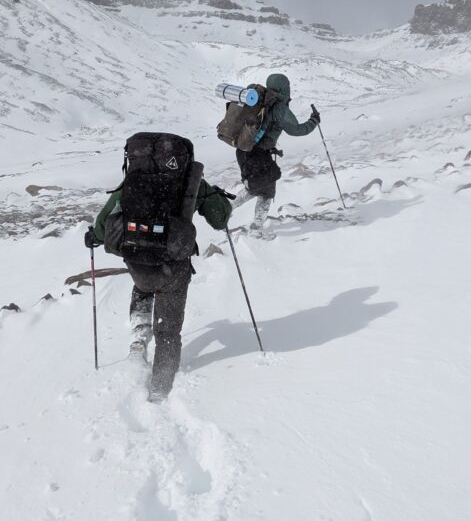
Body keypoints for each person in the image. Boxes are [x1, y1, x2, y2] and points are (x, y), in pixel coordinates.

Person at [85, 133, 232, 403]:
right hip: (173, 269)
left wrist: (93, 237)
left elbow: (103, 224)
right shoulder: (190, 181)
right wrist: (218, 200)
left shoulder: (132, 181)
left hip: (137, 262)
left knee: (143, 284)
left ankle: (139, 336)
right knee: (168, 331)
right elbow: (219, 218)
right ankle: (160, 389)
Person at [234, 73, 320, 234]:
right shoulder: (279, 107)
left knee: (254, 185)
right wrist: (314, 121)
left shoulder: (260, 101)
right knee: (265, 191)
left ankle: (225, 210)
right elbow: (297, 130)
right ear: (284, 88)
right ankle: (255, 229)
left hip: (243, 151)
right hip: (258, 155)